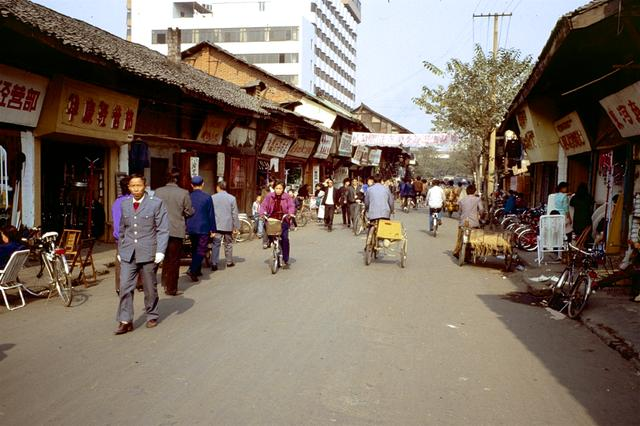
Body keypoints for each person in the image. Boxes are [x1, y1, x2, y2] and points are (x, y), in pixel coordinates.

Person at [115, 174, 169, 335]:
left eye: (139, 185)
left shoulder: (156, 204)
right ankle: (125, 320)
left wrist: (160, 251)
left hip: (148, 251)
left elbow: (162, 229)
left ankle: (152, 314)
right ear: (129, 187)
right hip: (128, 252)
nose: (136, 189)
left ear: (144, 186)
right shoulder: (124, 204)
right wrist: (120, 250)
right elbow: (123, 230)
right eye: (133, 186)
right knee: (125, 286)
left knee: (149, 287)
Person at [154, 168, 194, 296]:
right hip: (176, 230)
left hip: (159, 229)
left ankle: (152, 282)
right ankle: (171, 288)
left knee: (157, 258)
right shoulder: (183, 193)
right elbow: (189, 211)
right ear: (177, 179)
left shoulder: (157, 192)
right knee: (173, 259)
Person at [185, 176, 216, 283]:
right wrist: (213, 229)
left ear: (191, 185)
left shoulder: (188, 196)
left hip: (191, 226)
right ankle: (193, 269)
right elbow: (211, 214)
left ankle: (197, 270)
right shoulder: (207, 197)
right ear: (203, 184)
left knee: (194, 248)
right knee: (201, 250)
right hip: (203, 227)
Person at [259, 181, 296, 268]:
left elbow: (291, 206)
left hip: (284, 219)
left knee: (285, 239)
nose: (278, 190)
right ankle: (267, 241)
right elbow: (263, 205)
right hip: (273, 219)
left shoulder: (287, 197)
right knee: (266, 226)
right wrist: (262, 214)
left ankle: (285, 259)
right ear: (274, 188)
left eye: (280, 188)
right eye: (277, 188)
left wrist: (290, 213)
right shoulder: (269, 196)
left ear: (283, 189)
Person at [211, 180, 240, 269]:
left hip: (217, 225)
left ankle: (214, 263)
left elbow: (210, 212)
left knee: (216, 244)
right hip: (228, 225)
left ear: (218, 187)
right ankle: (229, 261)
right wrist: (236, 227)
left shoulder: (212, 197)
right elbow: (234, 213)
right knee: (228, 243)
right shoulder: (232, 198)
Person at [111, 176, 131, 295]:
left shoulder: (117, 202)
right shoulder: (131, 202)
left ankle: (119, 286)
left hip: (120, 237)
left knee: (120, 261)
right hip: (130, 236)